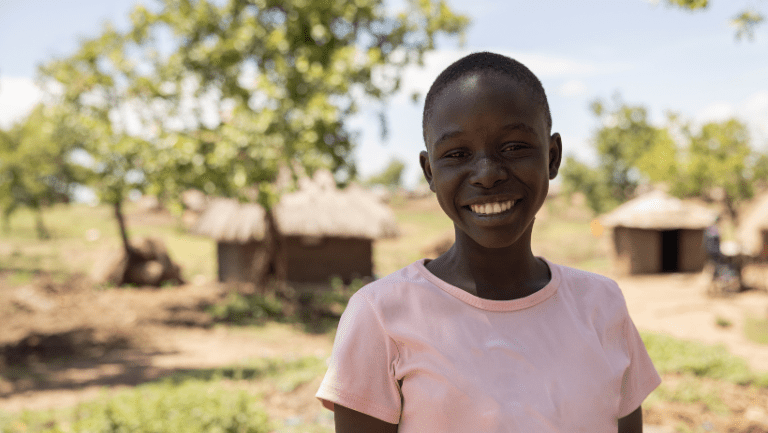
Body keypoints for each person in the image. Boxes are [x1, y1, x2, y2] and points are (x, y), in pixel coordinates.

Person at [316, 52, 661, 432]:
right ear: (430, 172)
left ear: (552, 156)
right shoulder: (380, 316)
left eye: (513, 147)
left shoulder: (601, 306)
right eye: (457, 154)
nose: (487, 174)